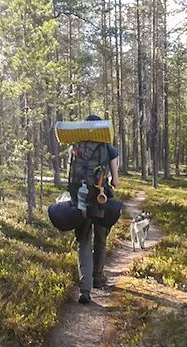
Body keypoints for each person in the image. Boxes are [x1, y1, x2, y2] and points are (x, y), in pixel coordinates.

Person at [71, 115, 120, 304]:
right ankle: (98, 278)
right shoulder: (109, 147)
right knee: (100, 238)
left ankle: (85, 290)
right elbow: (115, 181)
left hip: (80, 198)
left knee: (83, 240)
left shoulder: (77, 145)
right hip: (100, 198)